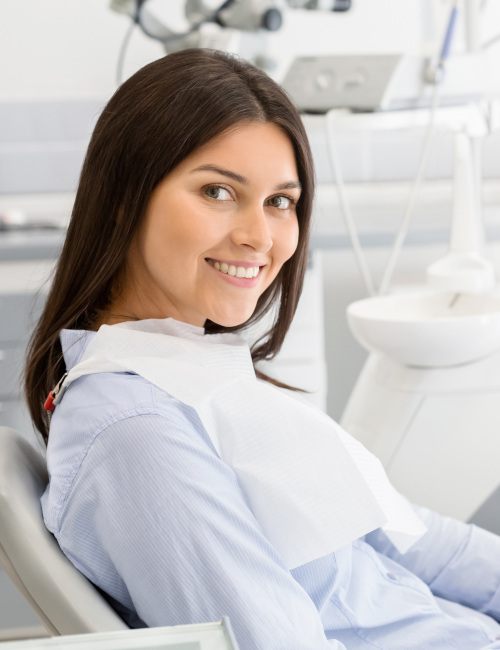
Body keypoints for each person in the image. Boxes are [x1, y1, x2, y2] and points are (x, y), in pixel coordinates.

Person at [24, 49, 500, 649]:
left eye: (281, 201)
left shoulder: (185, 370)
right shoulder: (135, 429)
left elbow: (407, 538)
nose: (260, 237)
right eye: (218, 191)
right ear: (125, 196)